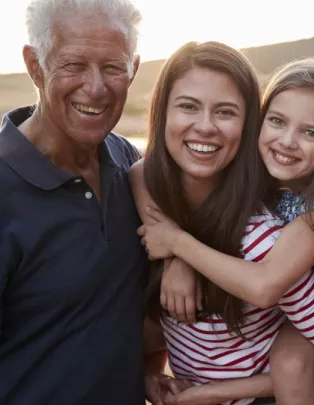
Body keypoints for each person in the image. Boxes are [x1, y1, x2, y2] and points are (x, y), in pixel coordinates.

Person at [131, 45, 314, 405]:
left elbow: (267, 287)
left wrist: (179, 246)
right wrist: (173, 258)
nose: (287, 140)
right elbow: (141, 172)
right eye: (189, 106)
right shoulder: (147, 197)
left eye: (225, 112)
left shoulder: (276, 233)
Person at [0, 0, 147, 403]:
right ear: (35, 66)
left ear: (133, 70)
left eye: (113, 67)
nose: (96, 87)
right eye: (74, 64)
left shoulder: (130, 165)